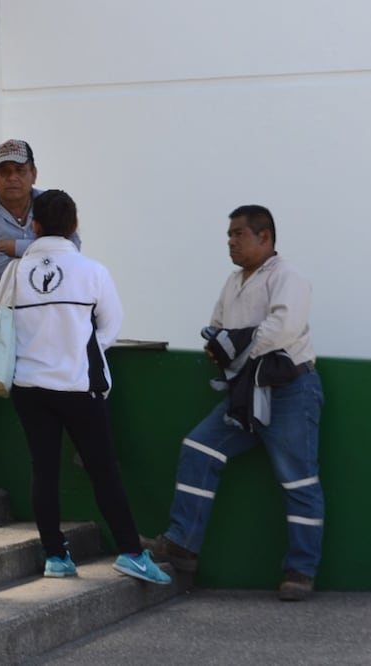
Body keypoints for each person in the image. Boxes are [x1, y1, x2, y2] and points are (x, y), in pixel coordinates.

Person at [143, 205, 324, 601]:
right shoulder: (233, 281)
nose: (231, 241)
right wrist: (223, 345)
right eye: (229, 235)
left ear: (265, 237)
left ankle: (301, 570)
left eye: (239, 234)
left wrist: (237, 347)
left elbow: (282, 330)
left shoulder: (288, 275)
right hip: (244, 392)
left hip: (291, 389)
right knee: (199, 447)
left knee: (298, 480)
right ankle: (183, 545)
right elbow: (221, 330)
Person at [8, 189, 170, 585]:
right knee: (102, 470)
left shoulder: (14, 272)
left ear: (35, 225)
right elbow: (110, 326)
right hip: (79, 385)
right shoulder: (93, 271)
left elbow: (6, 323)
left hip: (28, 385)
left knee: (42, 470)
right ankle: (131, 551)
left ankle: (56, 557)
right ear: (75, 226)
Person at [0, 139, 81, 485]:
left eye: (20, 171)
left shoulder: (50, 202)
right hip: (0, 302)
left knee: (89, 346)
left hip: (50, 300)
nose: (13, 178)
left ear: (33, 173)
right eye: (4, 172)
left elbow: (73, 250)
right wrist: (41, 252)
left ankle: (87, 443)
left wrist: (16, 247)